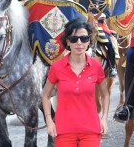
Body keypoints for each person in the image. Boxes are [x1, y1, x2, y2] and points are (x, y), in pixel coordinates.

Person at [42, 18, 110, 147]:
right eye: (74, 39)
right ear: (67, 41)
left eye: (84, 38)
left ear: (89, 41)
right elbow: (45, 96)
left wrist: (104, 118)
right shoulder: (56, 67)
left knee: (111, 45)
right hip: (63, 131)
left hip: (91, 130)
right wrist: (49, 120)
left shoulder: (96, 67)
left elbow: (105, 95)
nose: (79, 43)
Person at [79, 0, 117, 77]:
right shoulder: (82, 0)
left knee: (110, 44)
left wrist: (97, 16)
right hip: (85, 25)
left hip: (99, 25)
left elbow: (108, 14)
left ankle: (112, 67)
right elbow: (79, 12)